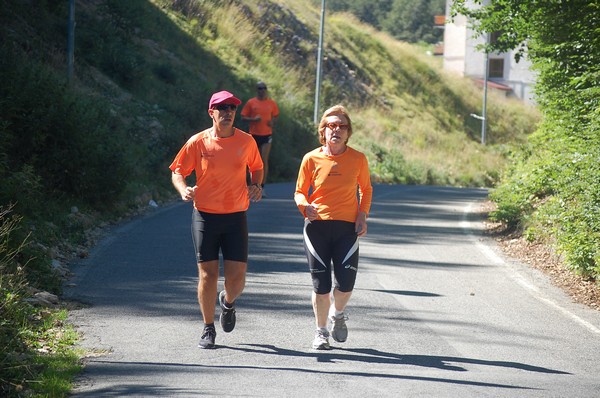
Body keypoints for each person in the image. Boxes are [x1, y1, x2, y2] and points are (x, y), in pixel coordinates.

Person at [169, 90, 264, 349]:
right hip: (205, 216)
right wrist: (183, 189)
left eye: (232, 108)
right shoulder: (198, 142)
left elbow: (256, 166)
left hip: (235, 217)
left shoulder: (246, 142)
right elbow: (178, 172)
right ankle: (208, 327)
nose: (228, 112)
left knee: (237, 278)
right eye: (221, 108)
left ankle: (228, 302)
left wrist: (256, 184)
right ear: (211, 113)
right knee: (207, 275)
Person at [294, 104, 373, 350]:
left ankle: (337, 313)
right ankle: (321, 332)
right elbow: (299, 191)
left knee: (345, 284)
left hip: (347, 229)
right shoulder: (311, 158)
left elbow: (366, 189)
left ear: (348, 132)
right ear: (323, 131)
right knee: (321, 286)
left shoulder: (358, 159)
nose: (336, 130)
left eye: (341, 126)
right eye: (331, 125)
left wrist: (362, 215)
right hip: (316, 227)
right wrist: (305, 206)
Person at [240, 82, 280, 195]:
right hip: (253, 135)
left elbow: (276, 116)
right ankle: (249, 185)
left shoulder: (271, 103)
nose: (262, 90)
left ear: (266, 90)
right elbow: (243, 117)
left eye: (264, 88)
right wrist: (253, 120)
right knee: (249, 161)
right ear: (256, 90)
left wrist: (273, 122)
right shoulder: (251, 102)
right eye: (259, 88)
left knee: (263, 160)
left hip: (267, 134)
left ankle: (261, 187)